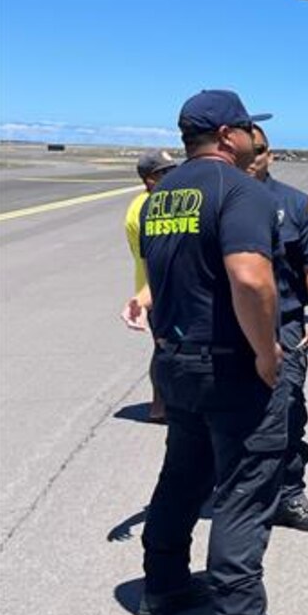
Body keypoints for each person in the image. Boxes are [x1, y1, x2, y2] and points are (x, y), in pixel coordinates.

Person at [138, 89, 308, 615]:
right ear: (225, 136)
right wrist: (267, 352)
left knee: (184, 474)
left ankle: (162, 584)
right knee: (246, 488)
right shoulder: (238, 190)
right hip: (230, 365)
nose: (248, 137)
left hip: (177, 360)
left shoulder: (162, 194)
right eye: (243, 127)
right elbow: (251, 280)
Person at [249, 124, 308, 532]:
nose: (253, 157)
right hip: (225, 323)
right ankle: (237, 488)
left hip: (283, 322)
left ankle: (287, 493)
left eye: (261, 150)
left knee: (286, 408)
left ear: (271, 154)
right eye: (247, 149)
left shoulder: (295, 204)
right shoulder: (216, 200)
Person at [122, 149, 178, 422]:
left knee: (165, 347)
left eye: (173, 170)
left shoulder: (153, 202)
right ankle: (160, 406)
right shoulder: (146, 208)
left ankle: (163, 403)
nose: (172, 176)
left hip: (156, 287)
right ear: (149, 179)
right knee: (165, 348)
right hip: (156, 289)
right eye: (164, 173)